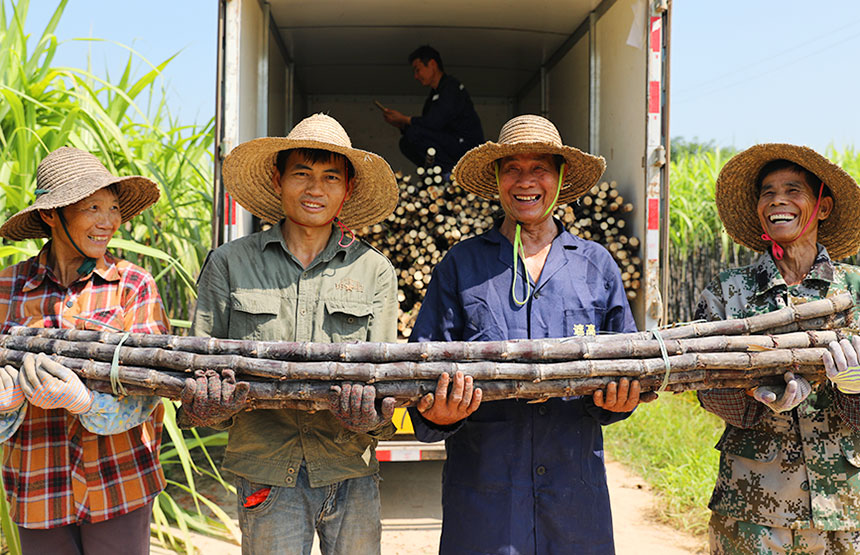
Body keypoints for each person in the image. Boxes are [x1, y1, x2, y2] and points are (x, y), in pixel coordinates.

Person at [406, 114, 655, 554]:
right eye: (512, 169)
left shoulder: (595, 267)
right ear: (498, 180)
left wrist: (619, 403)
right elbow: (420, 374)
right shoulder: (461, 266)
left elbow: (627, 370)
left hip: (573, 501)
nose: (526, 181)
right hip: (485, 501)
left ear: (560, 179)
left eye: (539, 168)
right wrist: (437, 414)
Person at [178, 113, 401, 554]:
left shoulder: (374, 271)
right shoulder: (229, 263)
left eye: (330, 177)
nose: (315, 189)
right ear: (278, 180)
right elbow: (198, 375)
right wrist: (206, 407)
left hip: (349, 470)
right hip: (265, 472)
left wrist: (371, 417)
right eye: (302, 174)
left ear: (347, 189)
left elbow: (387, 385)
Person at [0, 147, 169, 554]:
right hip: (37, 486)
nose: (108, 221)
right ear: (49, 215)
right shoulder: (7, 289)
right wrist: (8, 404)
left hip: (119, 483)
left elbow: (149, 394)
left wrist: (84, 401)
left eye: (113, 208)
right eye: (92, 207)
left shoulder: (133, 285)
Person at [696, 143, 860, 553]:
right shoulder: (728, 292)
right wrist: (754, 395)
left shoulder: (855, 290)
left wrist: (855, 390)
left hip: (848, 507)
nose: (778, 201)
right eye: (767, 192)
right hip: (752, 507)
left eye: (793, 189)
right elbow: (704, 385)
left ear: (823, 207)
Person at [381, 45, 484, 173]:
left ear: (432, 64)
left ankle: (450, 174)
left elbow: (434, 122)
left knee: (414, 133)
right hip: (449, 143)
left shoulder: (451, 87)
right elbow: (427, 127)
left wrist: (404, 119)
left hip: (466, 146)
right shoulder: (433, 95)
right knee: (406, 142)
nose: (416, 76)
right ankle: (433, 171)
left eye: (417, 70)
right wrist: (401, 124)